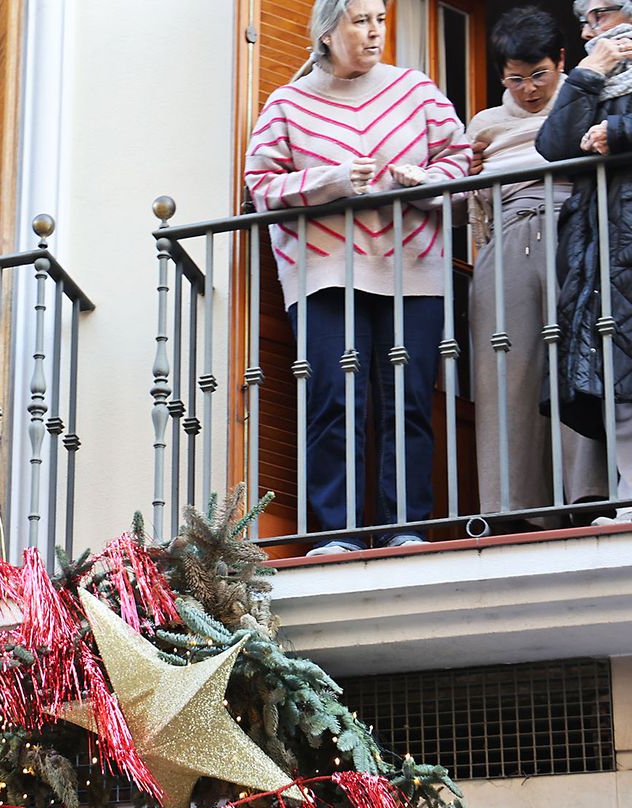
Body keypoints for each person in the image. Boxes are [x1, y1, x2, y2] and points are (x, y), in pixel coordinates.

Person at [244, 0, 472, 555]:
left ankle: (405, 529)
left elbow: (459, 160)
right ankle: (335, 534)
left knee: (408, 402)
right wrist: (335, 180)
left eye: (380, 20)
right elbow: (262, 185)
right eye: (361, 21)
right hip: (325, 274)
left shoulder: (416, 91)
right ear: (327, 32)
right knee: (333, 401)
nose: (374, 33)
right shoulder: (288, 103)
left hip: (413, 270)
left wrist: (422, 182)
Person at [469, 7, 606, 526]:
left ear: (562, 60)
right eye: (516, 78)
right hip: (507, 236)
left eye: (539, 75)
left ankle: (589, 496)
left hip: (576, 232)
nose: (528, 89)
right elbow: (471, 204)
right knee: (505, 370)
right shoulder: (485, 124)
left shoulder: (590, 97)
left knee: (580, 362)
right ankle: (512, 507)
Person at [536, 0, 632, 526]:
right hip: (602, 242)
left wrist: (620, 134)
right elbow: (553, 144)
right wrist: (588, 75)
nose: (592, 28)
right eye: (586, 20)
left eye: (602, 14)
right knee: (617, 373)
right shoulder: (594, 76)